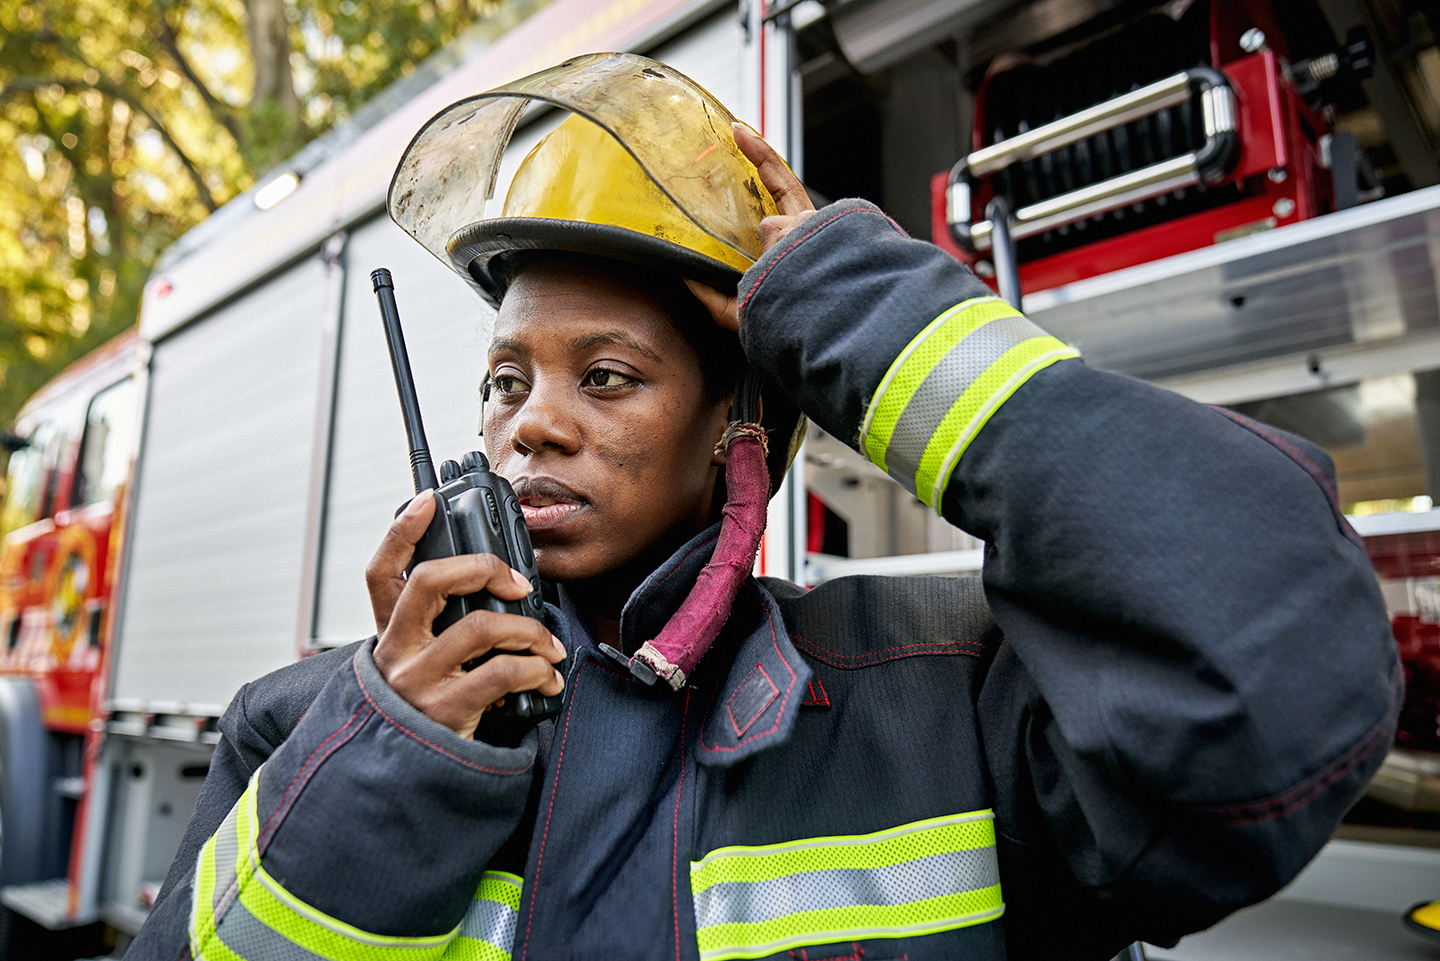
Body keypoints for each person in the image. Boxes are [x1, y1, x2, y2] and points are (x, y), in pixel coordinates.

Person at [129, 54, 1400, 961]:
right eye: (505, 380)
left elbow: (1271, 660)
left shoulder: (947, 699)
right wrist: (394, 752)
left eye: (609, 376)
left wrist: (861, 314)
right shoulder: (304, 726)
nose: (534, 422)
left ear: (741, 435)